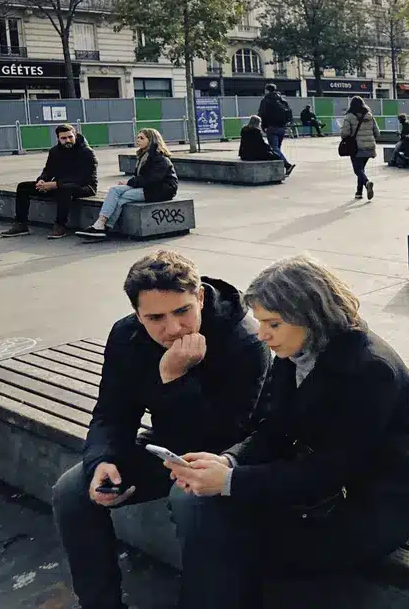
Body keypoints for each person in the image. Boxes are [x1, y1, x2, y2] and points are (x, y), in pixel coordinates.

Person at [162, 255, 409, 609]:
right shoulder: (296, 350)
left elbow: (332, 470)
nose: (262, 335)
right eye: (260, 322)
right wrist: (229, 460)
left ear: (309, 315)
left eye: (272, 323)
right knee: (211, 523)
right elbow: (272, 428)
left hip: (372, 505)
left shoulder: (369, 369)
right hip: (319, 487)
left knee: (230, 541)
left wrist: (229, 482)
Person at [51, 251, 270, 609]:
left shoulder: (243, 339)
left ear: (199, 297)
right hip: (166, 447)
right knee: (73, 490)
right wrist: (104, 460)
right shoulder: (127, 336)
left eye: (183, 311)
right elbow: (111, 413)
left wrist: (174, 379)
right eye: (155, 318)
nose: (173, 328)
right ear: (137, 315)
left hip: (229, 457)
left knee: (192, 501)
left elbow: (230, 431)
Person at [76, 129, 177, 241]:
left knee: (123, 197)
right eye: (137, 137)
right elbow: (143, 177)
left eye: (142, 138)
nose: (138, 140)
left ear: (152, 140)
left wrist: (129, 183)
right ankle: (101, 225)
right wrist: (130, 183)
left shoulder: (159, 158)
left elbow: (152, 179)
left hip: (161, 190)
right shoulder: (144, 155)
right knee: (115, 190)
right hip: (148, 187)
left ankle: (103, 226)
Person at [1, 124, 98, 240]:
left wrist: (56, 184)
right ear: (58, 138)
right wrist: (42, 180)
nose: (68, 140)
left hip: (85, 187)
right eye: (64, 138)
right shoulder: (55, 152)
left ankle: (60, 225)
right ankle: (21, 224)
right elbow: (48, 170)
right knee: (23, 187)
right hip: (58, 185)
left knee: (64, 189)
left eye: (70, 137)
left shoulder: (86, 152)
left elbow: (84, 178)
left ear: (75, 135)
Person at [341, 96, 380, 200]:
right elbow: (377, 132)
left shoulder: (349, 116)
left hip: (356, 147)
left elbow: (345, 133)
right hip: (369, 147)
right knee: (361, 169)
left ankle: (367, 183)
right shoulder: (369, 116)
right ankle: (359, 192)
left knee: (357, 170)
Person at [257, 84, 294, 173]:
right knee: (278, 149)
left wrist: (263, 126)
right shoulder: (282, 100)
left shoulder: (266, 100)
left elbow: (262, 113)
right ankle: (279, 169)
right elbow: (289, 112)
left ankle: (287, 165)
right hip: (282, 127)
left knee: (274, 148)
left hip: (271, 127)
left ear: (267, 90)